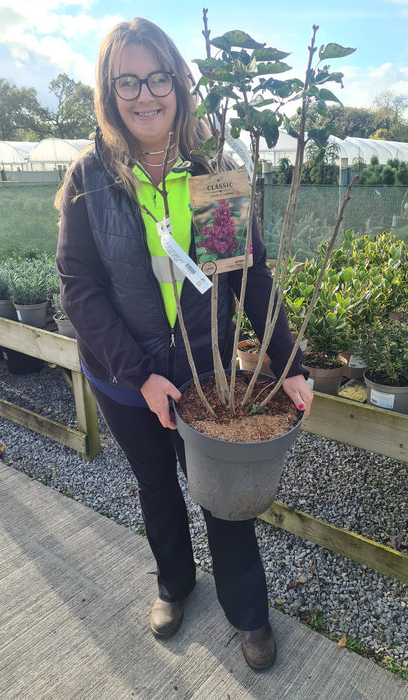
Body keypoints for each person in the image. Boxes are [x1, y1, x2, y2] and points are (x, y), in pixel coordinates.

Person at [55, 17, 312, 672]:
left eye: (157, 77)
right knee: (155, 487)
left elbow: (247, 276)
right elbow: (79, 288)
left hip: (204, 380)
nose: (145, 95)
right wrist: (139, 374)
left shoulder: (208, 174)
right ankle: (174, 584)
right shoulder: (92, 179)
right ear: (110, 94)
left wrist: (287, 364)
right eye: (127, 82)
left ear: (178, 83)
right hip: (126, 378)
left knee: (223, 496)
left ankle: (247, 613)